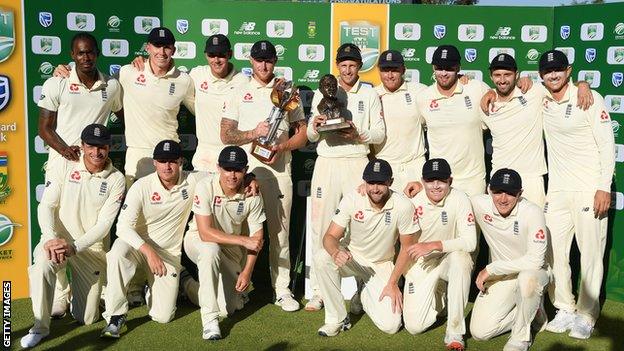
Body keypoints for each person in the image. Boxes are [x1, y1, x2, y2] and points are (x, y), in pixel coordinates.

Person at [38, 32, 123, 319]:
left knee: (98, 224)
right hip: (63, 163)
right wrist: (67, 151)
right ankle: (60, 295)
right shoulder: (57, 81)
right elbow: (45, 128)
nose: (86, 58)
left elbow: (125, 116)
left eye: (90, 53)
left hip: (94, 163)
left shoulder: (111, 86)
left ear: (97, 53)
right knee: (58, 224)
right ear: (72, 55)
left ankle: (102, 290)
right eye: (80, 53)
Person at [221, 40, 307, 312]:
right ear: (251, 61)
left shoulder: (288, 91)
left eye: (268, 59)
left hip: (279, 171)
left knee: (279, 232)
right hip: (245, 174)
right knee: (242, 231)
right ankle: (239, 287)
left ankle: (281, 289)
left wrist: (283, 146)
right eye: (259, 59)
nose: (264, 64)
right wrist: (253, 134)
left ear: (275, 61)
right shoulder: (239, 90)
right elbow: (226, 135)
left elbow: (303, 134)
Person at [21, 124, 125, 348]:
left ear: (109, 148)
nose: (96, 153)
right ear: (82, 145)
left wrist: (74, 246)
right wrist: (49, 238)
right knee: (41, 266)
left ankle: (68, 294)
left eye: (102, 147)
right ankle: (39, 327)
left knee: (87, 318)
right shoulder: (65, 164)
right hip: (56, 241)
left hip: (88, 249)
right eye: (91, 146)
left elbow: (104, 225)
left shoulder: (116, 179)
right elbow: (47, 205)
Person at [539, 50, 615, 339]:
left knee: (591, 254)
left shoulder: (590, 98)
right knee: (555, 253)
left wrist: (603, 186)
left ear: (568, 71)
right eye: (548, 72)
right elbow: (515, 86)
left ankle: (586, 314)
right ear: (542, 76)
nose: (553, 75)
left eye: (558, 70)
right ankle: (565, 307)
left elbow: (607, 145)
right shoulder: (542, 99)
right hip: (557, 191)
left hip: (588, 189)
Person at [306, 43, 385, 311]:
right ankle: (319, 289)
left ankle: (362, 288)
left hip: (356, 161)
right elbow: (310, 135)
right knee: (322, 225)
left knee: (358, 226)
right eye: (343, 65)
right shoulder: (326, 91)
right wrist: (315, 127)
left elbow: (380, 134)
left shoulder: (370, 93)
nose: (348, 70)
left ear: (359, 66)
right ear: (337, 66)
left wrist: (358, 134)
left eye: (352, 65)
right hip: (327, 162)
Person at [101, 140, 201, 337]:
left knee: (163, 316)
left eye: (172, 161)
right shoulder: (141, 186)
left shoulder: (193, 181)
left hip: (168, 254)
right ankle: (115, 316)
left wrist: (250, 178)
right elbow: (122, 227)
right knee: (117, 253)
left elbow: (220, 177)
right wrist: (148, 251)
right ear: (155, 163)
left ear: (181, 161)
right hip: (137, 247)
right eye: (162, 161)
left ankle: (176, 278)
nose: (167, 166)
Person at [314, 159, 419, 336]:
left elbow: (407, 248)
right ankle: (336, 319)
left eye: (381, 183)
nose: (375, 188)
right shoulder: (352, 199)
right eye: (371, 183)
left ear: (390, 182)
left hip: (381, 264)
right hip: (352, 257)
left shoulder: (403, 205)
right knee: (322, 258)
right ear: (364, 182)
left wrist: (393, 283)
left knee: (391, 326)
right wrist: (335, 252)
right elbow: (330, 236)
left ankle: (363, 292)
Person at [480, 53, 593, 206]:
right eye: (497, 75)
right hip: (499, 178)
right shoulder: (485, 103)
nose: (502, 80)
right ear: (491, 76)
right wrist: (490, 91)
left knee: (534, 229)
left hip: (531, 179)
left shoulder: (534, 92)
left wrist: (583, 85)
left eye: (507, 74)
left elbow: (564, 87)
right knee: (500, 229)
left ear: (517, 75)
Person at [132, 34, 248, 173]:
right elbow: (166, 75)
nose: (216, 60)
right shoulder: (196, 75)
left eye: (221, 55)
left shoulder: (244, 82)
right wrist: (146, 63)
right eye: (212, 55)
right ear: (206, 55)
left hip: (234, 156)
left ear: (230, 54)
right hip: (204, 157)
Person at [183, 146, 265, 340]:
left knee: (230, 308)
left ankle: (185, 283)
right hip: (197, 241)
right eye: (227, 169)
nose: (232, 175)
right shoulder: (205, 186)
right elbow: (205, 233)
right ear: (218, 168)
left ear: (245, 170)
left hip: (231, 251)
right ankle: (210, 321)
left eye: (237, 169)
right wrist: (243, 240)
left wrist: (247, 272)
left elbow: (257, 239)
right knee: (210, 250)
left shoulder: (252, 194)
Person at [397, 158, 476, 350]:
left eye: (441, 180)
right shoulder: (412, 201)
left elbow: (470, 242)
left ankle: (455, 332)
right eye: (430, 180)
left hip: (447, 259)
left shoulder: (460, 198)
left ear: (450, 180)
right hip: (420, 265)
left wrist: (434, 245)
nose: (436, 186)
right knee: (415, 327)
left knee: (462, 258)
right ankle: (440, 297)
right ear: (422, 181)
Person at [470, 169, 549, 351]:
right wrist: (420, 187)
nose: (503, 199)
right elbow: (453, 199)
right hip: (504, 276)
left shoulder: (532, 212)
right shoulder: (479, 203)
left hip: (535, 273)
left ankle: (521, 338)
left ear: (520, 194)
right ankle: (531, 309)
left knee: (527, 278)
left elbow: (536, 261)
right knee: (480, 332)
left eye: (511, 193)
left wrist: (492, 269)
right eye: (498, 192)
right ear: (489, 190)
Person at [372, 50, 427, 193]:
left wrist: (461, 78)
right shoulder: (372, 95)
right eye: (385, 70)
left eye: (394, 70)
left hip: (415, 166)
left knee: (419, 214)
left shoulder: (420, 91)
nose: (389, 75)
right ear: (379, 71)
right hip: (385, 168)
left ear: (403, 69)